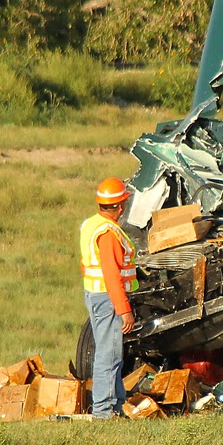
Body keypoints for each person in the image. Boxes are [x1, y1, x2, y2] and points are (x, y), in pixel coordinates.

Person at [80, 177, 139, 419]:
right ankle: (104, 411)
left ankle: (115, 406)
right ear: (120, 206)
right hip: (108, 298)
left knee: (110, 352)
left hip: (96, 294)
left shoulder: (92, 224)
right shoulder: (108, 233)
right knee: (109, 354)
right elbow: (113, 276)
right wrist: (124, 309)